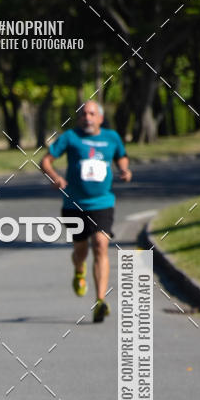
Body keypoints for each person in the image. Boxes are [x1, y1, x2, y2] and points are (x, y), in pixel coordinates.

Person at [40, 100, 132, 322]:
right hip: (74, 205)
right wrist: (55, 177)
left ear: (100, 118)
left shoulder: (112, 137)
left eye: (91, 114)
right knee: (81, 250)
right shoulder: (70, 137)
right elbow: (46, 161)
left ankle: (100, 301)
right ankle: (79, 269)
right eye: (83, 114)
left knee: (100, 244)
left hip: (102, 203)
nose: (87, 118)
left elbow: (121, 155)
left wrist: (124, 169)